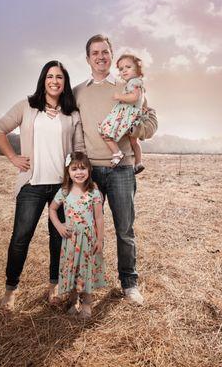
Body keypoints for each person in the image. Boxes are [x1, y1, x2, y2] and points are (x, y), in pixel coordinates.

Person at [0, 60, 85, 311]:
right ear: (43, 80)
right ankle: (11, 290)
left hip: (60, 188)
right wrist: (13, 157)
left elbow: (78, 151)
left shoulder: (71, 113)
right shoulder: (27, 106)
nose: (55, 81)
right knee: (21, 238)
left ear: (65, 83)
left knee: (59, 239)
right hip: (31, 185)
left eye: (60, 77)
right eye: (50, 76)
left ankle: (54, 286)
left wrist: (79, 182)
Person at [73, 34, 158, 305]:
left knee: (125, 229)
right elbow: (74, 128)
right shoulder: (78, 92)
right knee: (87, 230)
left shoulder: (128, 84)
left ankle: (129, 284)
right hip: (91, 172)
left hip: (122, 169)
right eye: (94, 53)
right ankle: (86, 285)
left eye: (105, 52)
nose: (100, 56)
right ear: (88, 59)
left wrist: (132, 128)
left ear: (111, 55)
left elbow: (151, 120)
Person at [48, 152, 107, 318]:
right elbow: (52, 209)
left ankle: (87, 303)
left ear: (89, 170)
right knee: (72, 270)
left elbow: (99, 217)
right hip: (70, 239)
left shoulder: (93, 192)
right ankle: (74, 301)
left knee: (86, 271)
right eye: (74, 169)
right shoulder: (64, 192)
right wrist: (59, 225)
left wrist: (100, 239)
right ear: (68, 171)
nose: (79, 172)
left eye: (82, 168)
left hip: (88, 239)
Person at [98, 53, 146, 173]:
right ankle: (139, 162)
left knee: (105, 130)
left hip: (127, 115)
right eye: (121, 69)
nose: (124, 70)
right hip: (132, 115)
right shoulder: (133, 83)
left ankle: (117, 152)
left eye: (128, 67)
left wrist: (120, 96)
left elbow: (134, 97)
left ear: (138, 68)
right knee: (134, 141)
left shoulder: (134, 82)